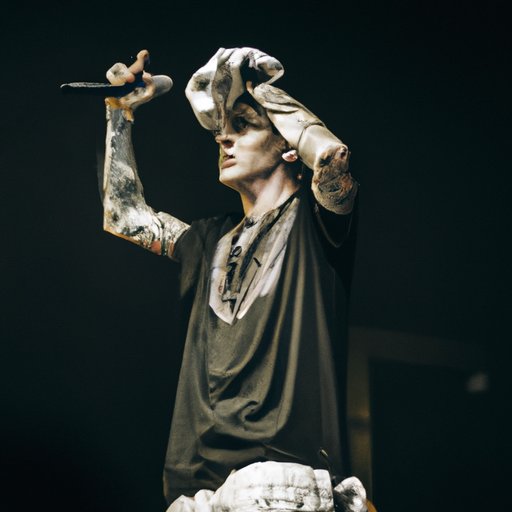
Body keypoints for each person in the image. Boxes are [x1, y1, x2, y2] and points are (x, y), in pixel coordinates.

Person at [100, 47, 367, 511]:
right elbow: (122, 215)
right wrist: (119, 113)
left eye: (243, 126)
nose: (223, 138)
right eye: (220, 131)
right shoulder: (206, 241)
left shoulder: (316, 223)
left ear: (288, 144)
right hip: (198, 493)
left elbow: (330, 156)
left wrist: (260, 92)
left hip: (281, 483)